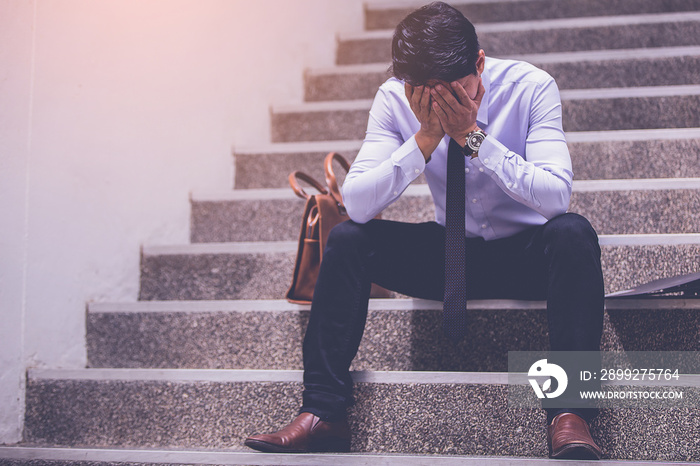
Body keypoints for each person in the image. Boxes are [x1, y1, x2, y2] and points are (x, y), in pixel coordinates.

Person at [245, 1, 604, 460]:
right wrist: (424, 140)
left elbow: (556, 197)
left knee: (573, 233)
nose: (436, 103)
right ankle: (323, 412)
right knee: (349, 239)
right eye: (423, 92)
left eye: (451, 91)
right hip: (449, 255)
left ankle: (571, 415)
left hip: (527, 255)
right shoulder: (395, 96)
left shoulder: (530, 88)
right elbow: (356, 203)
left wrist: (471, 135)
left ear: (478, 63)